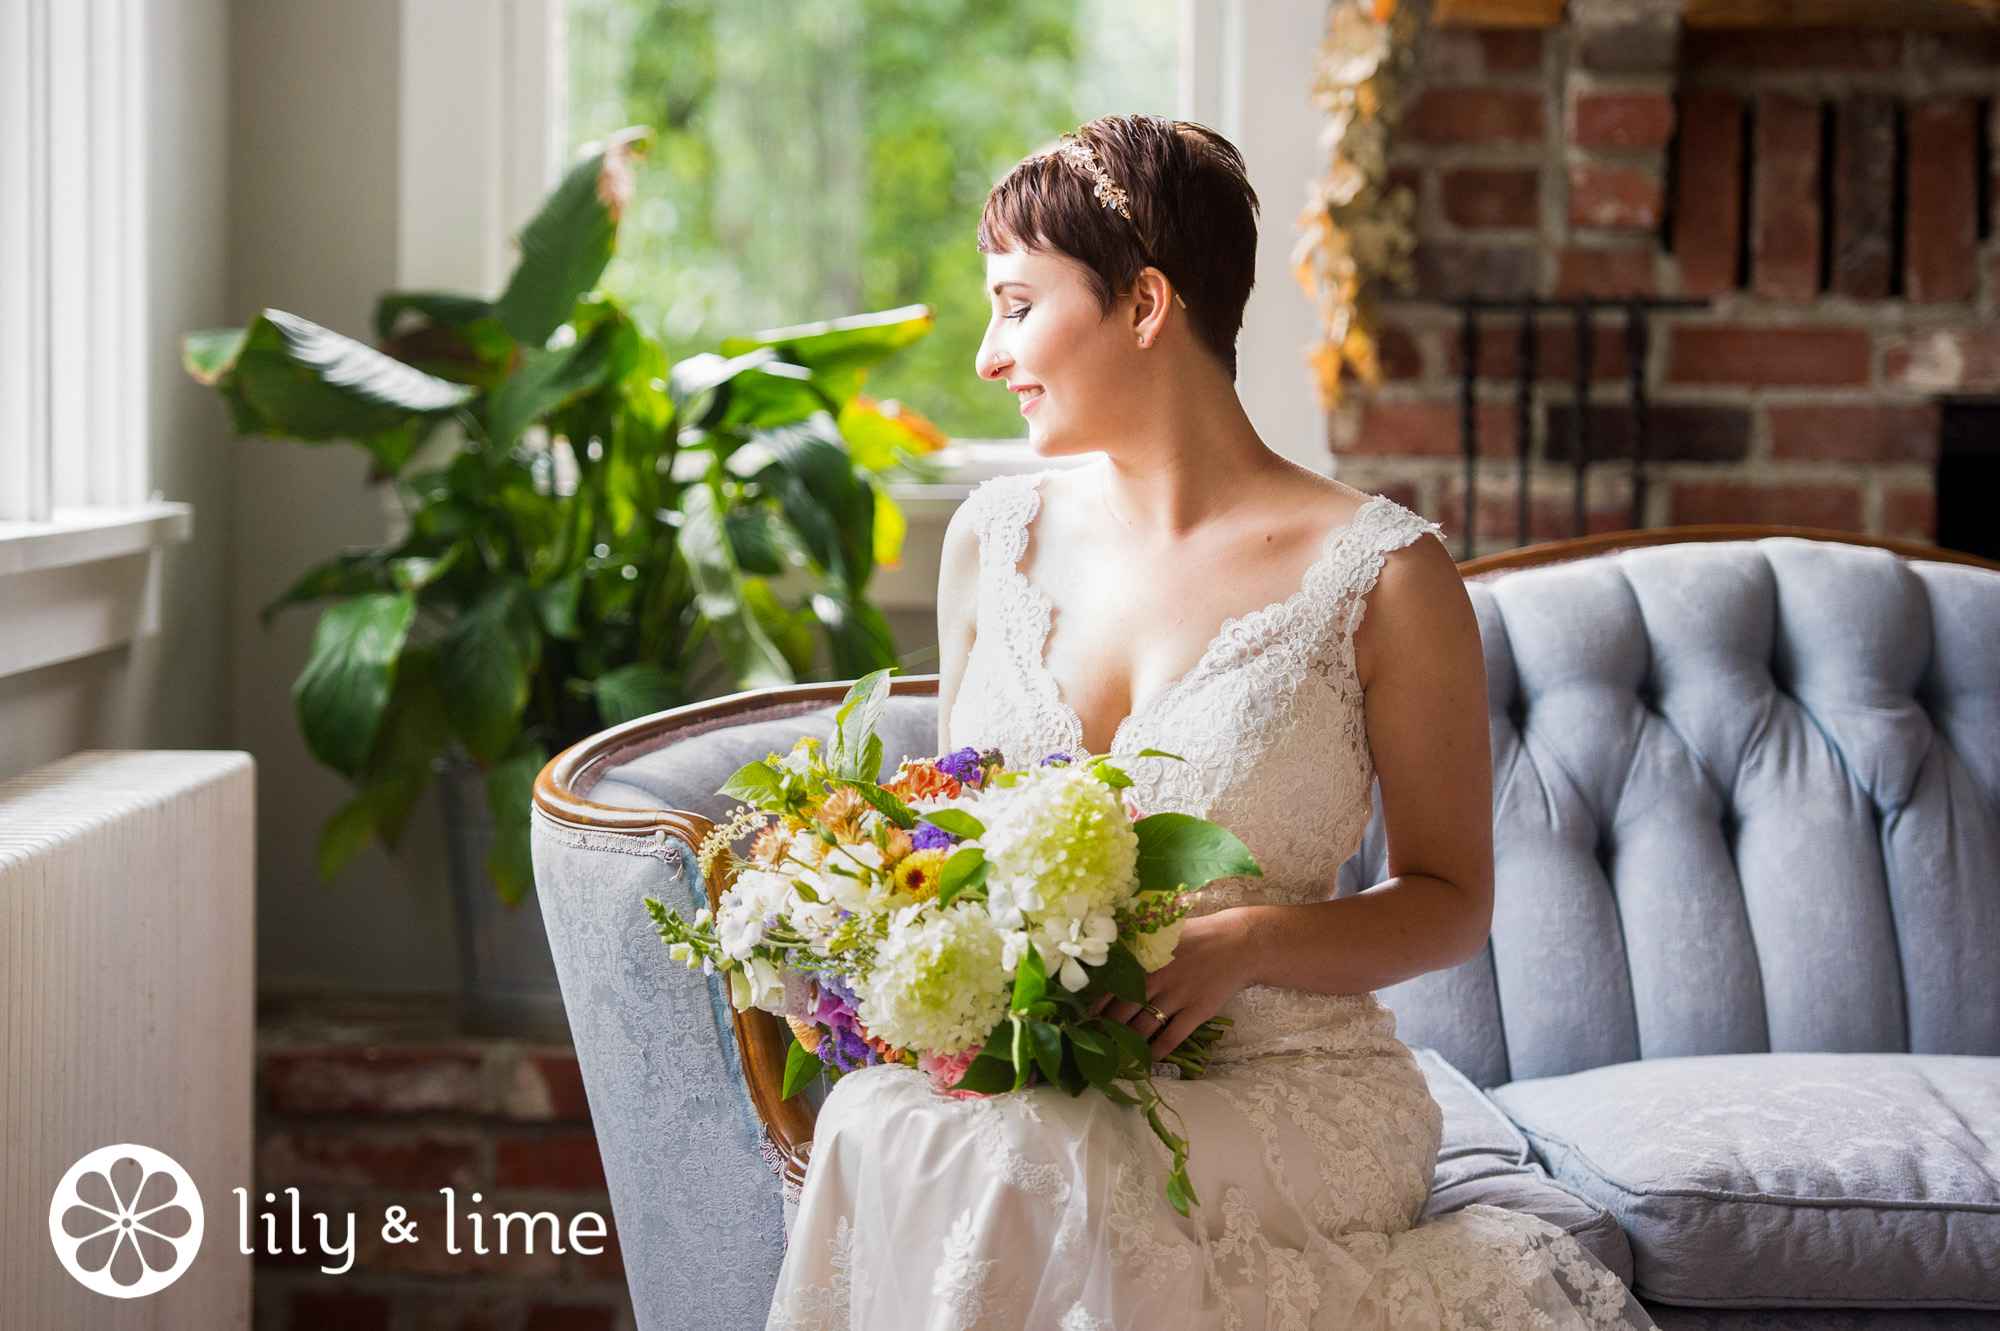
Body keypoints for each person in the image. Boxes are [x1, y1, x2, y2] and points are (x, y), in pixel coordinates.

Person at [765, 113, 1660, 1330]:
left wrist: (1243, 941)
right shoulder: (992, 540)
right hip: (1051, 1082)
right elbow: (944, 838)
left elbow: (1451, 898)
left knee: (1043, 1165)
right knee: (883, 1121)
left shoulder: (1383, 576)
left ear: (1142, 303)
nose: (987, 354)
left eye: (1016, 306)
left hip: (1291, 1082)